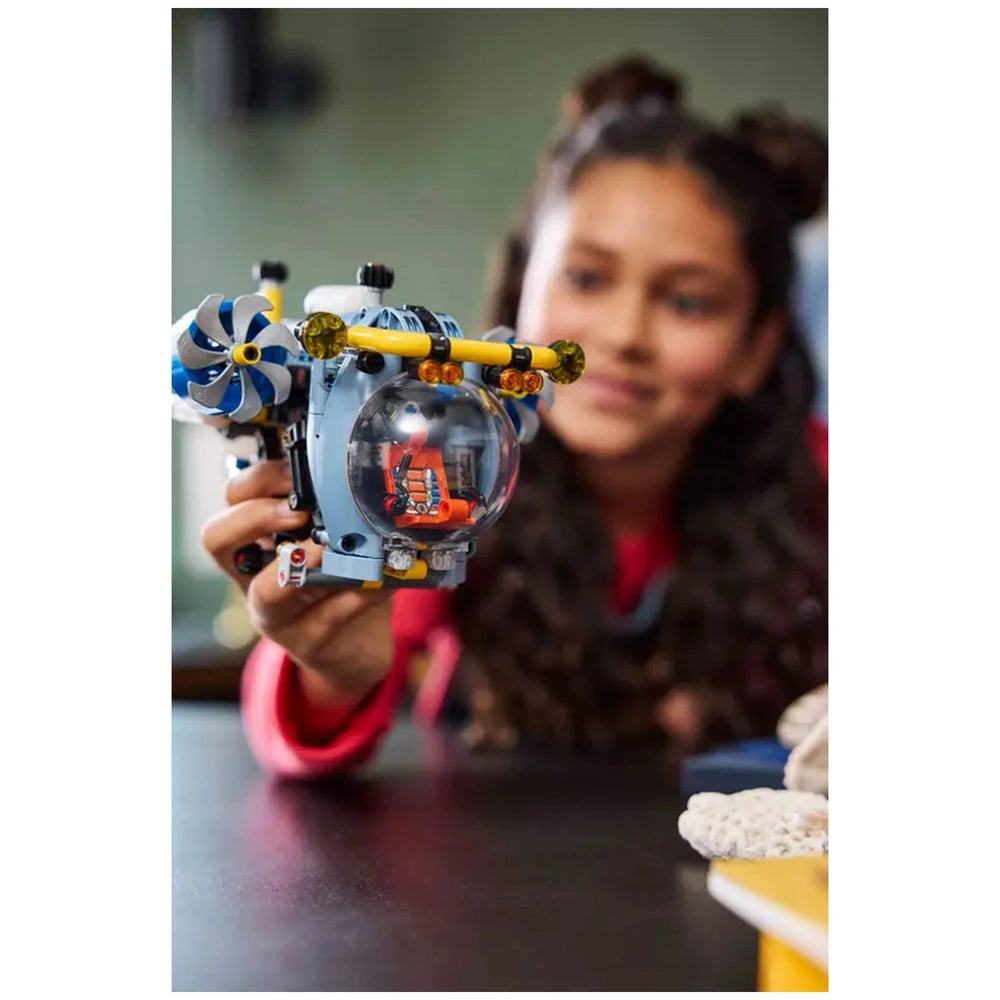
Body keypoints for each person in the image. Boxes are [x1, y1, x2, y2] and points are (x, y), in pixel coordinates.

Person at [201, 55, 829, 779]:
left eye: (688, 301)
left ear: (756, 347)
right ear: (520, 289)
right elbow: (307, 716)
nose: (624, 334)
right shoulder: (432, 459)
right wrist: (330, 669)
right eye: (586, 278)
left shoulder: (825, 486)